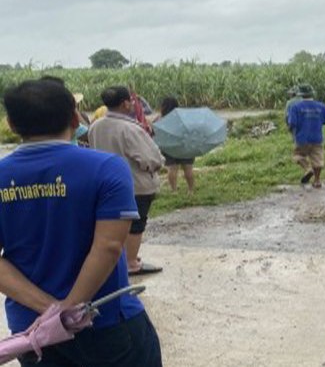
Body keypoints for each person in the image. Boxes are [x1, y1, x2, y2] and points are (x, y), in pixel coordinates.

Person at [0, 80, 162, 366]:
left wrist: (49, 312)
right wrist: (69, 310)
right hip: (106, 322)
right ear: (76, 119)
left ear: (11, 124)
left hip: (36, 333)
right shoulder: (107, 168)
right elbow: (110, 247)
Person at [89, 86, 165, 276]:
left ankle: (121, 259)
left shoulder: (96, 126)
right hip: (135, 184)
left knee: (114, 224)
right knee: (136, 224)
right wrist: (157, 165)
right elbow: (151, 159)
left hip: (106, 184)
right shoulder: (131, 128)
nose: (133, 104)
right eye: (131, 101)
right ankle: (131, 262)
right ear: (125, 103)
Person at [287, 84, 325, 188]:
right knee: (317, 159)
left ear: (300, 95)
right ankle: (317, 181)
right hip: (317, 137)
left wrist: (290, 131)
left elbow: (292, 123)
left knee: (297, 155)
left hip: (301, 137)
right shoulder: (321, 106)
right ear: (312, 93)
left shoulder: (295, 107)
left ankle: (307, 168)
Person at [156, 96, 195, 193]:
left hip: (169, 148)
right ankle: (191, 190)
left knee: (172, 169)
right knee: (188, 169)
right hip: (185, 146)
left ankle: (174, 191)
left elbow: (154, 131)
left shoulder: (161, 118)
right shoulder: (182, 116)